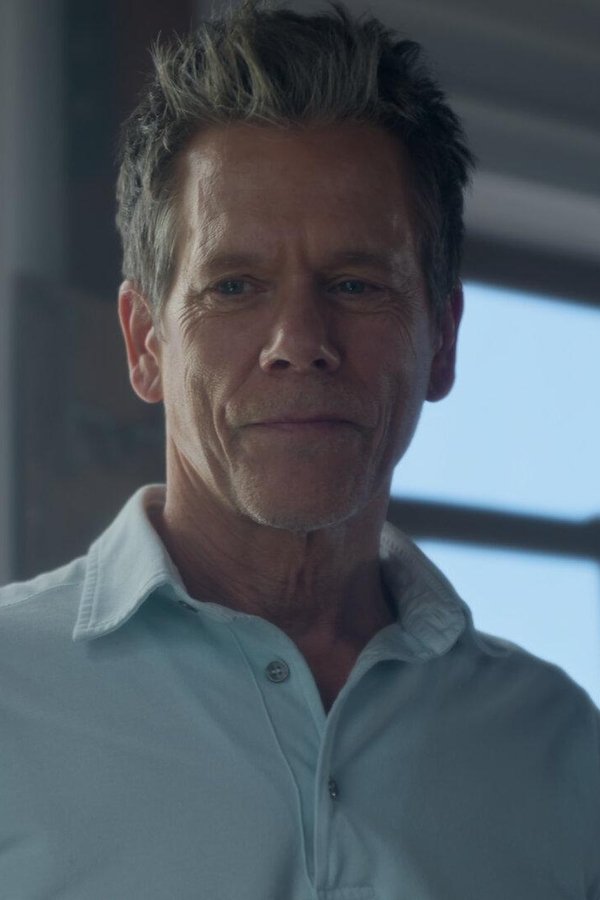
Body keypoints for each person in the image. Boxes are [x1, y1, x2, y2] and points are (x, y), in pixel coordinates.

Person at [1, 2, 598, 897]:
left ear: (442, 340)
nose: (299, 341)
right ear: (145, 343)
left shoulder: (560, 747)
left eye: (355, 284)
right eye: (234, 286)